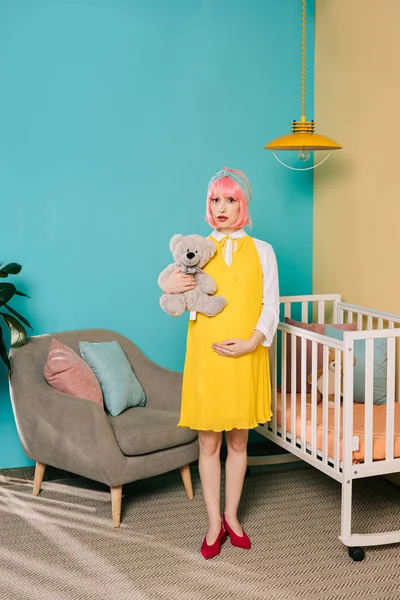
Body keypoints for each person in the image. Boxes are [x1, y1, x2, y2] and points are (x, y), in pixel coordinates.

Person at [161, 167, 279, 559]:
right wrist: (169, 285)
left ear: (243, 204)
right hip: (206, 358)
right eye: (215, 200)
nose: (222, 208)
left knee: (239, 440)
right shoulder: (196, 248)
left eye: (230, 200)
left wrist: (251, 343)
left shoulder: (263, 251)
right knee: (208, 443)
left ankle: (232, 516)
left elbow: (270, 308)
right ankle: (213, 522)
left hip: (246, 356)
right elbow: (175, 299)